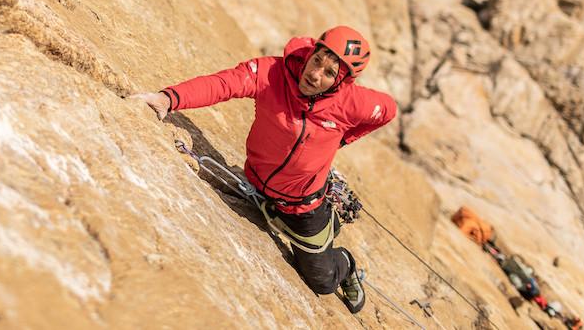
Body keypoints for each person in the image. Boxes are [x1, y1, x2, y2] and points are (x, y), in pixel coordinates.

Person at [130, 26, 397, 314]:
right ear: (310, 52)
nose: (316, 74)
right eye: (317, 59)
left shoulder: (351, 103)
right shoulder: (272, 74)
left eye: (330, 73)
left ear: (340, 82)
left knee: (322, 281)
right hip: (257, 181)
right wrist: (169, 99)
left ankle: (346, 264)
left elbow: (388, 109)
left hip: (303, 207)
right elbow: (224, 84)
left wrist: (343, 139)